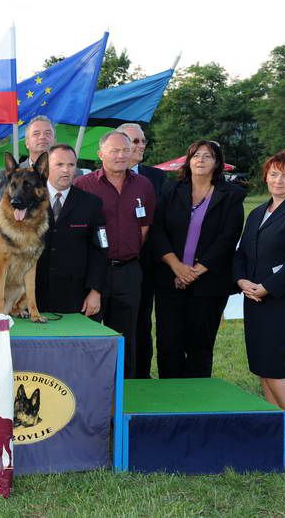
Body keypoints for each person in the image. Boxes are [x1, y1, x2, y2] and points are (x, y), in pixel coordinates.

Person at [151, 140, 245, 378]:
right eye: (196, 155)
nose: (200, 160)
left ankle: (197, 403)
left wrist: (193, 272)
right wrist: (177, 267)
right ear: (188, 161)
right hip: (169, 280)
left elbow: (229, 237)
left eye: (207, 156)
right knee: (168, 344)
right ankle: (171, 400)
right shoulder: (171, 190)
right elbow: (157, 230)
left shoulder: (232, 194)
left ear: (217, 163)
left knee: (200, 347)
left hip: (209, 282)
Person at [74, 131, 156, 378]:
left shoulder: (143, 185)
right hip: (92, 276)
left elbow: (144, 228)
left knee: (125, 338)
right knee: (87, 336)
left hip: (128, 272)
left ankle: (124, 393)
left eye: (125, 150)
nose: (121, 155)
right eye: (114, 151)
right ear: (100, 155)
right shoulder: (83, 186)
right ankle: (87, 389)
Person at [234, 147, 285, 439]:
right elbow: (243, 252)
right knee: (261, 363)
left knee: (274, 362)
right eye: (274, 174)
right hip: (254, 297)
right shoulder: (258, 211)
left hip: (284, 299)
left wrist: (269, 287)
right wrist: (241, 280)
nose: (279, 181)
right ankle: (277, 422)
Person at [117, 123, 166, 379]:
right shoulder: (95, 177)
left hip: (145, 265)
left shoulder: (157, 178)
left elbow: (162, 222)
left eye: (142, 141)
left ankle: (140, 377)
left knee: (140, 323)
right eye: (134, 141)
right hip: (106, 265)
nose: (140, 146)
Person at [35, 144, 106, 316]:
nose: (66, 170)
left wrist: (95, 291)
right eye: (59, 165)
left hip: (76, 298)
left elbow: (100, 251)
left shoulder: (92, 203)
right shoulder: (31, 201)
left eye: (71, 165)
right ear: (46, 167)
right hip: (34, 295)